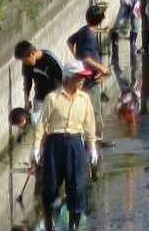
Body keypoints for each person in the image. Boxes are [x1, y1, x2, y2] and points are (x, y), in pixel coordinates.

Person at [30, 61, 98, 231]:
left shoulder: (85, 99)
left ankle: (73, 224)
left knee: (77, 185)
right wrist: (36, 147)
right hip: (55, 143)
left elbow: (90, 124)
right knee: (51, 185)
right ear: (69, 78)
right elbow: (41, 124)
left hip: (75, 143)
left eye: (83, 77)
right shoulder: (52, 98)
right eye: (79, 77)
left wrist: (92, 146)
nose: (82, 80)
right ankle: (50, 220)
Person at [14, 41, 64, 113]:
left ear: (32, 53)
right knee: (38, 121)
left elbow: (64, 77)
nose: (24, 63)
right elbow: (27, 83)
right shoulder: (26, 64)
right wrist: (26, 101)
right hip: (40, 98)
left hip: (55, 96)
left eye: (25, 61)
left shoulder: (50, 59)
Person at [68, 4, 111, 83]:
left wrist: (76, 57)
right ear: (100, 20)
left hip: (84, 72)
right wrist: (102, 69)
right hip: (90, 77)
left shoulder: (84, 29)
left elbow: (69, 41)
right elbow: (86, 60)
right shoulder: (90, 37)